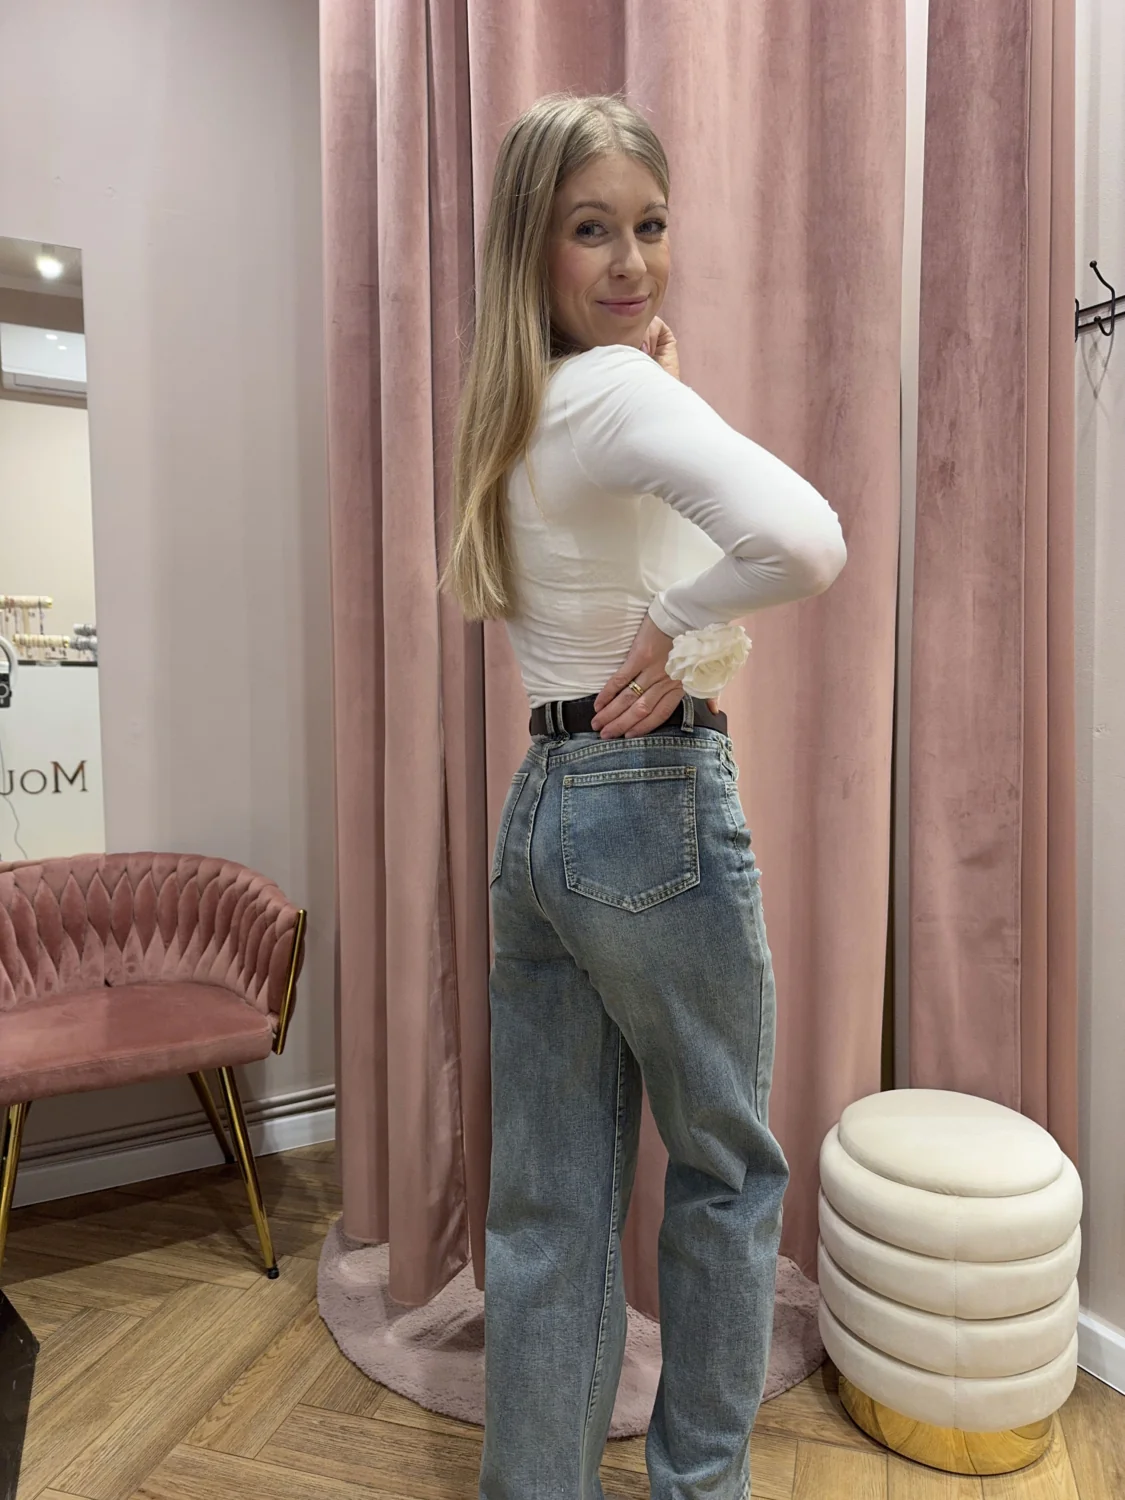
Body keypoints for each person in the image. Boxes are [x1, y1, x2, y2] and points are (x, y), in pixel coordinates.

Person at [444, 93, 847, 1500]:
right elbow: (805, 540)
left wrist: (661, 375)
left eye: (651, 225)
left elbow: (656, 518)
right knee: (727, 1177)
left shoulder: (523, 403)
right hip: (652, 805)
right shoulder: (615, 397)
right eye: (591, 231)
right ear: (534, 249)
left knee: (550, 1205)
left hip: (544, 808)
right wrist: (678, 623)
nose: (631, 261)